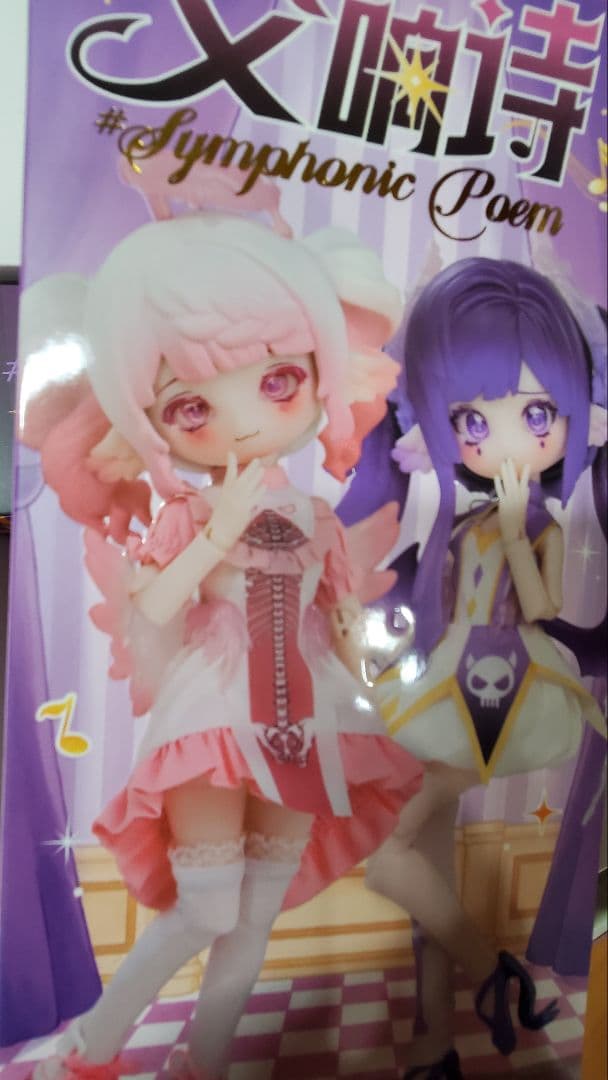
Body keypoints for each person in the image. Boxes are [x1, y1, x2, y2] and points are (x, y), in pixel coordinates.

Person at [22, 167, 423, 1079]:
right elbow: (156, 607)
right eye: (192, 406)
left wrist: (372, 669)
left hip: (306, 719)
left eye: (277, 381)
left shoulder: (316, 519)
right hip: (213, 717)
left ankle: (204, 1064)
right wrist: (216, 532)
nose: (241, 421)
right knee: (206, 906)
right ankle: (93, 1044)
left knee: (254, 915)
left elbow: (342, 621)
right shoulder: (186, 516)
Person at [338, 257, 607, 1080]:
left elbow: (540, 603)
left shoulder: (539, 524)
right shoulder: (458, 520)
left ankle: (494, 970)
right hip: (440, 689)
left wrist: (521, 525)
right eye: (471, 419)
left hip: (496, 697)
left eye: (536, 413)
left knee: (386, 855)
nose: (507, 439)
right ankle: (435, 1045)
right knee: (428, 866)